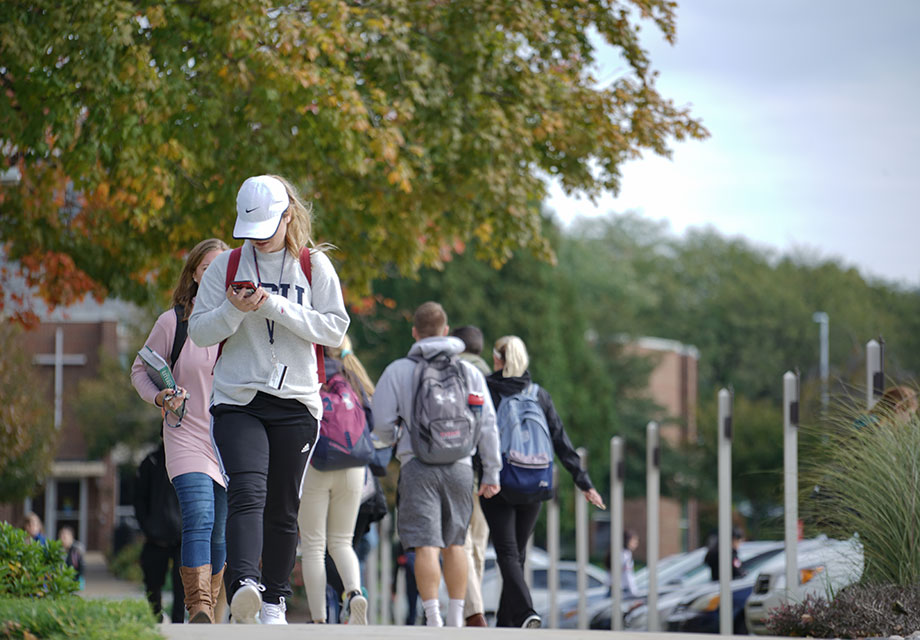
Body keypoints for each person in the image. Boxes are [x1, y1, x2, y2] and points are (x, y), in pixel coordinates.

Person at [189, 174, 349, 624]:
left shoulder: (314, 266)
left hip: (297, 402)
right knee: (247, 490)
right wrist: (231, 311)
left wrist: (274, 306)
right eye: (250, 232)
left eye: (266, 231)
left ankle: (275, 601)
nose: (257, 242)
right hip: (238, 398)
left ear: (288, 216)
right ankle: (243, 587)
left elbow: (335, 329)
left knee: (283, 503)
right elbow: (199, 331)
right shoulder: (227, 265)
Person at [373, 301, 502, 627]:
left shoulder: (398, 370)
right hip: (460, 466)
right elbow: (487, 423)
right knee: (456, 543)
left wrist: (393, 438)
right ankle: (457, 617)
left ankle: (433, 618)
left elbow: (381, 425)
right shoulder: (470, 372)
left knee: (426, 545)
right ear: (446, 331)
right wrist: (491, 471)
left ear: (415, 333)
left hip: (417, 465)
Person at [131, 237, 229, 624]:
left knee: (220, 533)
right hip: (184, 432)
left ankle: (210, 606)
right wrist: (160, 399)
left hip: (228, 439)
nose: (216, 274)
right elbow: (140, 370)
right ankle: (199, 608)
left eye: (222, 268)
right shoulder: (173, 322)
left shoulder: (237, 323)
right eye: (208, 268)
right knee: (200, 516)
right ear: (194, 274)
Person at [482, 335, 606, 628]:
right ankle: (506, 623)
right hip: (536, 482)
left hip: (500, 482)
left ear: (499, 359)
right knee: (517, 555)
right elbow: (562, 441)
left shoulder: (489, 390)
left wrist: (480, 473)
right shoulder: (539, 394)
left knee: (508, 554)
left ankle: (525, 612)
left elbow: (481, 436)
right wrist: (584, 482)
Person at [297, 335, 372, 624]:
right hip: (354, 467)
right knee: (343, 541)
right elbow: (372, 423)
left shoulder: (306, 373)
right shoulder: (355, 378)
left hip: (317, 462)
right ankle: (354, 593)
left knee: (314, 546)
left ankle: (319, 619)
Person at [450, 325, 491, 627]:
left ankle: (471, 609)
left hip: (460, 466)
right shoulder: (492, 377)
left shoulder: (456, 373)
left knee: (461, 542)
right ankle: (471, 606)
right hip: (487, 473)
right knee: (478, 544)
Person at [134, 443, 185, 623]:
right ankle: (157, 620)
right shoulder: (151, 462)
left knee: (183, 586)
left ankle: (179, 624)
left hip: (182, 536)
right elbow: (139, 499)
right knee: (152, 585)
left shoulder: (187, 458)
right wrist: (147, 526)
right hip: (155, 537)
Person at [621, 529, 639, 597]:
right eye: (634, 540)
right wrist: (634, 592)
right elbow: (627, 575)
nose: (636, 543)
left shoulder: (620, 553)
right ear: (627, 540)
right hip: (623, 592)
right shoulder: (625, 556)